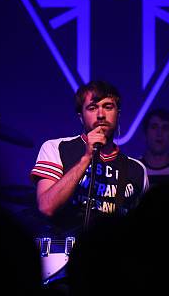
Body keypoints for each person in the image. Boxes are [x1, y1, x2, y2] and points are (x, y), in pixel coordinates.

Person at [31, 80, 148, 234]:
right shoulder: (56, 148)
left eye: (108, 107)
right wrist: (86, 158)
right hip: (64, 253)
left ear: (118, 114)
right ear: (81, 117)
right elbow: (46, 207)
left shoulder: (137, 170)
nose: (100, 115)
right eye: (92, 108)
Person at [140, 108, 169, 187]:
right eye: (154, 127)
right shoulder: (132, 170)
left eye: (165, 128)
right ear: (145, 133)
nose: (159, 133)